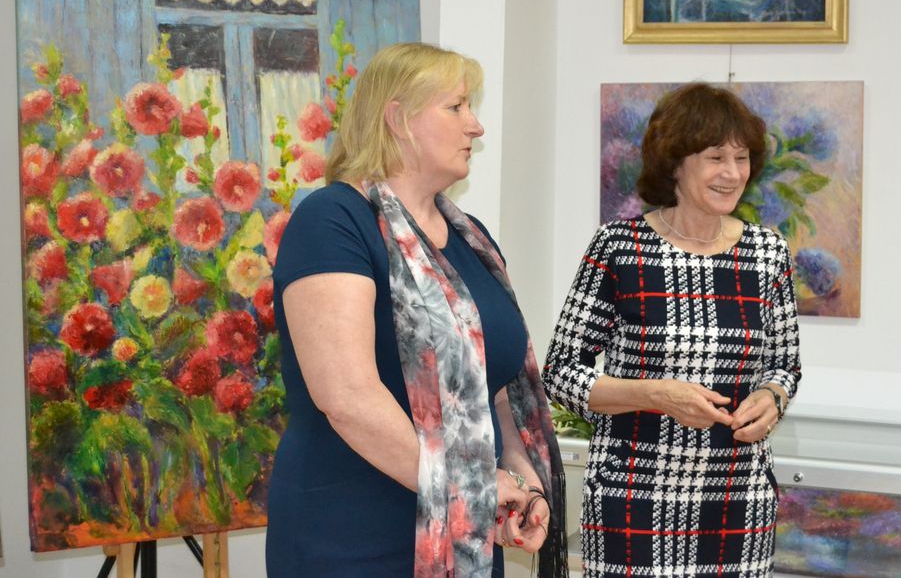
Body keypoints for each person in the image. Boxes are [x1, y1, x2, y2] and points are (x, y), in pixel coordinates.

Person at [266, 42, 567, 577]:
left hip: (466, 540)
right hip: (352, 538)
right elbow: (347, 398)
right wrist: (471, 488)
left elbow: (498, 388)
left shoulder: (471, 238)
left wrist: (521, 484)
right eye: (456, 106)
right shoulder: (333, 220)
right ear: (398, 119)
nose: (475, 125)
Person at [543, 83, 801, 578]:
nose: (733, 173)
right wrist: (655, 395)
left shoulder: (768, 253)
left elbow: (784, 365)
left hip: (738, 502)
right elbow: (561, 373)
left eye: (742, 158)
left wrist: (772, 396)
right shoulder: (619, 247)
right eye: (716, 157)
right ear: (675, 163)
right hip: (633, 501)